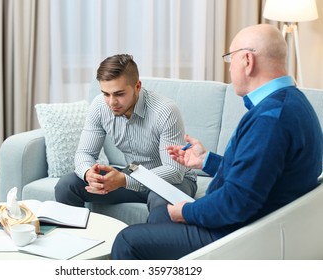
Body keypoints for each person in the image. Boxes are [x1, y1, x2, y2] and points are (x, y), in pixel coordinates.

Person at [111, 24, 323, 260]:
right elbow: (259, 174)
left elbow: (236, 203)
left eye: (231, 59)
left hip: (236, 233)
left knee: (127, 241)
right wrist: (206, 161)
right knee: (161, 215)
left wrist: (187, 211)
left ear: (247, 61)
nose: (230, 68)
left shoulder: (270, 120)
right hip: (252, 221)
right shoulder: (291, 103)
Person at [54, 54, 197, 212]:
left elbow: (174, 170)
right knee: (67, 185)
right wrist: (89, 173)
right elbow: (84, 153)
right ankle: (79, 237)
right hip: (132, 173)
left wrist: (124, 179)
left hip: (173, 180)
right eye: (106, 94)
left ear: (137, 86)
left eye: (119, 94)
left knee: (161, 202)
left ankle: (140, 238)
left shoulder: (165, 111)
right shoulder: (100, 106)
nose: (111, 102)